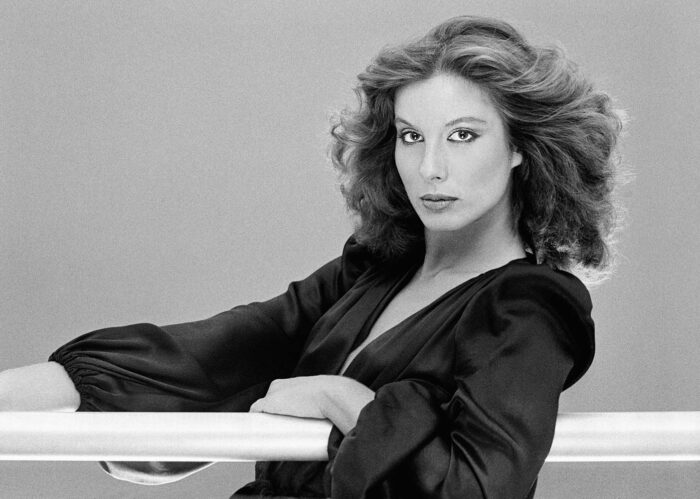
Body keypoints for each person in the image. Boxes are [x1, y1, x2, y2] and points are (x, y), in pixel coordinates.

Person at [0, 15, 624, 499]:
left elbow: (476, 490)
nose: (430, 167)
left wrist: (341, 400)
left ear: (520, 147)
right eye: (411, 136)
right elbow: (212, 354)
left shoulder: (530, 306)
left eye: (463, 135)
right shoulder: (373, 269)